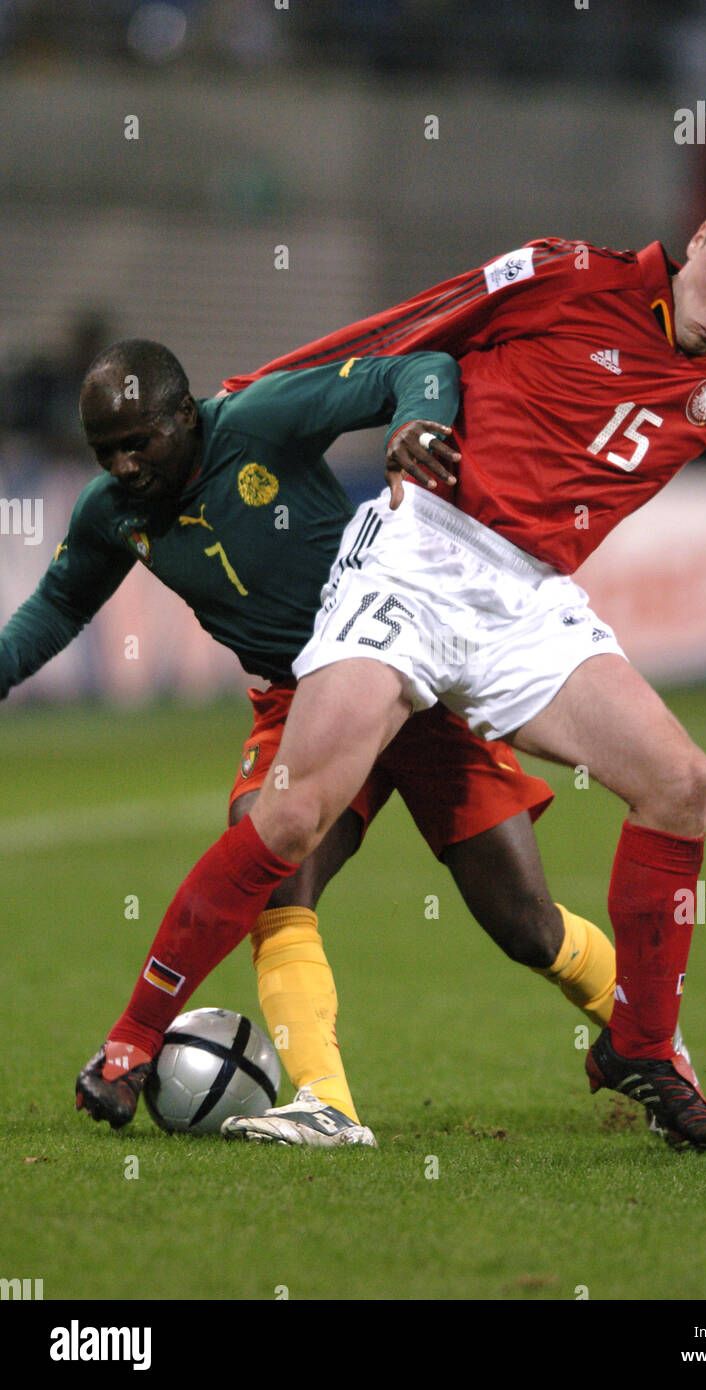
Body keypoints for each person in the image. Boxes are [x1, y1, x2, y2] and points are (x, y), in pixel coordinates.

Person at [79, 172, 706, 1151]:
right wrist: (240, 404)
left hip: (526, 600)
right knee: (293, 811)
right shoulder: (565, 274)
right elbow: (411, 326)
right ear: (696, 238)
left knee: (678, 781)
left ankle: (641, 1048)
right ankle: (128, 1041)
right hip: (421, 551)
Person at [1, 339, 658, 1148]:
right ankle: (326, 1103)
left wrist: (415, 424)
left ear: (186, 414)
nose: (126, 465)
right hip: (296, 702)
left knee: (526, 926)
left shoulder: (261, 420)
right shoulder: (112, 513)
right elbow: (60, 604)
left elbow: (419, 370)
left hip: (408, 676)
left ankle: (657, 1045)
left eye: (142, 441)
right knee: (273, 878)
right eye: (108, 451)